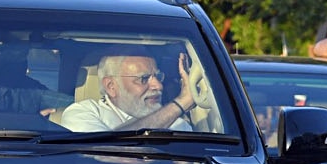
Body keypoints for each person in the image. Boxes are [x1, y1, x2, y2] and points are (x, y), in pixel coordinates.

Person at [57, 51, 213, 132]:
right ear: (111, 86)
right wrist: (179, 104)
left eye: (158, 76)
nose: (158, 86)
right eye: (144, 78)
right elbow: (106, 151)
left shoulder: (177, 125)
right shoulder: (82, 113)